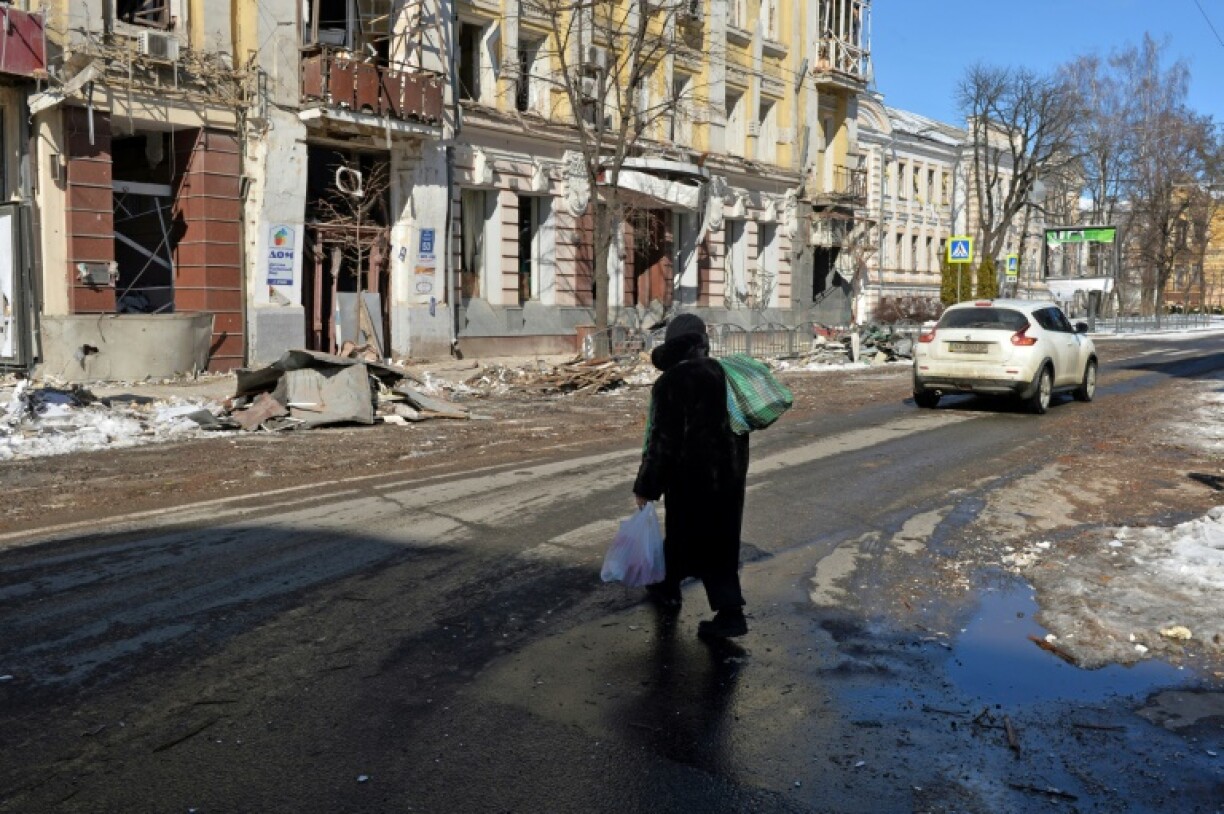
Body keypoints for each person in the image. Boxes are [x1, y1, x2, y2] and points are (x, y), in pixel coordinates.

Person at [633, 313, 750, 639]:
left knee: (687, 534)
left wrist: (647, 486)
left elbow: (664, 441)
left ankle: (720, 610)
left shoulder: (673, 381)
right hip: (728, 478)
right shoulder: (722, 373)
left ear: (672, 343)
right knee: (718, 543)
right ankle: (673, 588)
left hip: (691, 480)